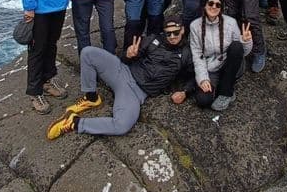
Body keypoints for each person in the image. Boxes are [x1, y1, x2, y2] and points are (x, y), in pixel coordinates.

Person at [46, 17, 194, 139]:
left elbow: (195, 77)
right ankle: (91, 98)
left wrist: (185, 92)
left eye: (175, 32)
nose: (172, 37)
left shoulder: (187, 54)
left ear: (182, 30)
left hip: (135, 93)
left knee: (122, 126)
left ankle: (74, 122)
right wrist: (129, 55)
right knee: (87, 52)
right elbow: (125, 59)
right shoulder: (154, 40)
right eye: (168, 34)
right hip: (123, 72)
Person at [190, 0, 252, 111]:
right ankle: (222, 86)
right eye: (211, 3)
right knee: (203, 100)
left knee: (236, 46)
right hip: (210, 68)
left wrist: (246, 41)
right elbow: (197, 56)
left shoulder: (231, 22)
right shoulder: (195, 26)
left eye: (218, 5)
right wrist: (203, 78)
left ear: (221, 8)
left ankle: (226, 92)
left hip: (228, 64)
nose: (214, 7)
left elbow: (241, 53)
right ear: (205, 5)